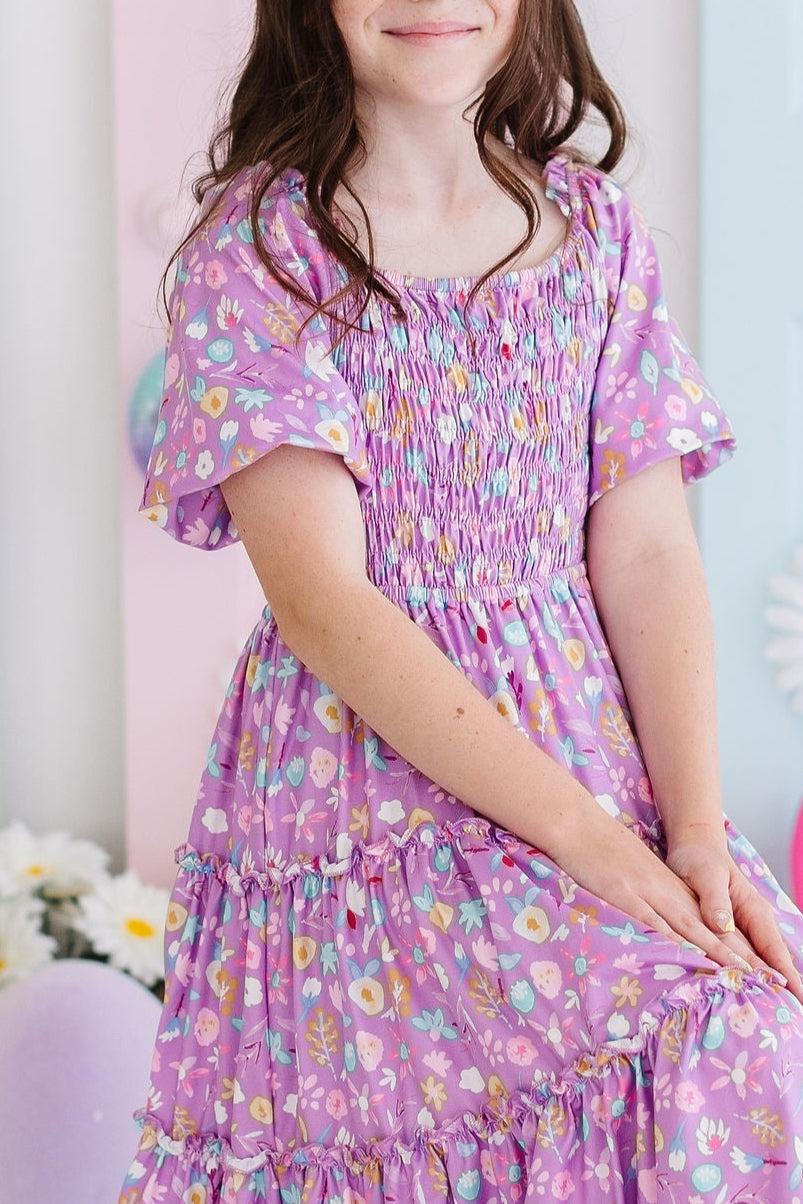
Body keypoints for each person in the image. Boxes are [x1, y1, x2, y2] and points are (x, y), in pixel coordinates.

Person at [120, 2, 803, 1200]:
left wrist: (687, 829)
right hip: (365, 793)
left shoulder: (592, 233)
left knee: (739, 1030)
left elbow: (643, 550)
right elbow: (325, 602)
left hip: (592, 752)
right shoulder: (265, 252)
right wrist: (586, 842)